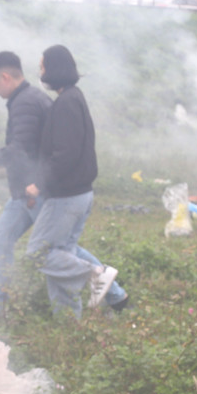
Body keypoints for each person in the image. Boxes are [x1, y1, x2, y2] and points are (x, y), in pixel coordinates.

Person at [0, 51, 127, 319]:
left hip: (39, 190)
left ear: (5, 77)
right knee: (11, 240)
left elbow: (43, 150)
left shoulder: (32, 103)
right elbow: (37, 147)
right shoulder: (40, 99)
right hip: (28, 189)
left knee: (52, 251)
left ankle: (103, 281)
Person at [23, 45, 122, 318]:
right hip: (80, 193)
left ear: (54, 69)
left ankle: (96, 273)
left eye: (43, 67)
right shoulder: (73, 98)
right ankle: (68, 323)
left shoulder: (66, 104)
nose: (41, 72)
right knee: (62, 253)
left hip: (66, 196)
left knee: (39, 253)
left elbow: (65, 155)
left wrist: (39, 183)